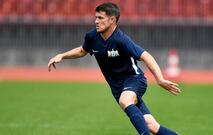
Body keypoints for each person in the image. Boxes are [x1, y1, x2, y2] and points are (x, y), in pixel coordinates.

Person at [48, 2, 181, 135]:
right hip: (117, 88)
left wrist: (160, 79)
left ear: (112, 20)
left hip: (134, 80)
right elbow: (83, 50)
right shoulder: (92, 36)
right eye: (96, 17)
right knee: (151, 125)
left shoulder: (121, 40)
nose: (96, 21)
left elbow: (146, 56)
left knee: (125, 100)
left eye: (100, 18)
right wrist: (62, 55)